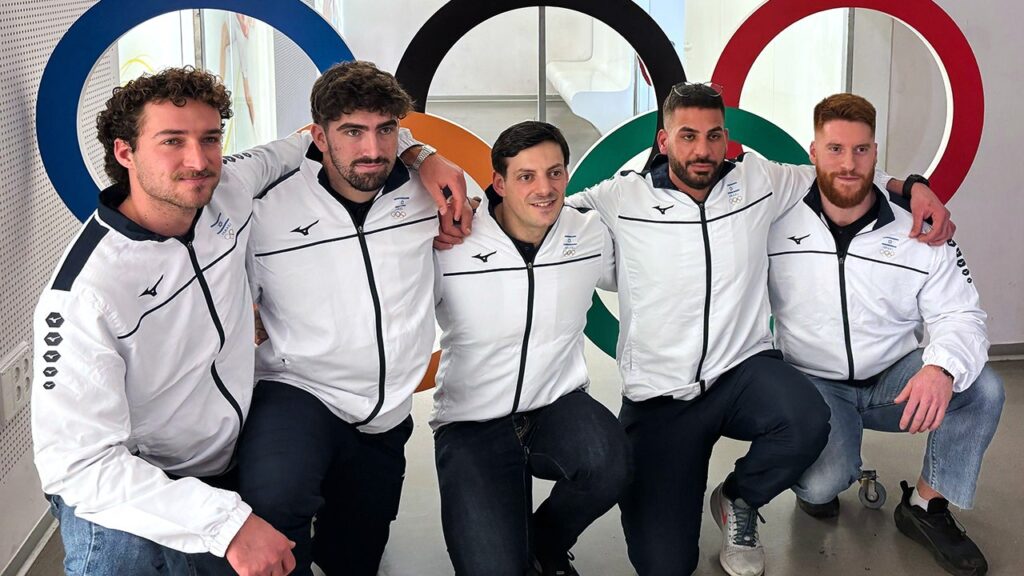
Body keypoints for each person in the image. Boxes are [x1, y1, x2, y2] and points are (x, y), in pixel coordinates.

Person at [436, 83, 955, 576]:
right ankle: (544, 541)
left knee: (805, 416)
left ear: (726, 138)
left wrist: (910, 188)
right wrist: (473, 216)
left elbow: (839, 170)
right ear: (665, 140)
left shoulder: (761, 181)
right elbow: (538, 212)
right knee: (664, 564)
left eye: (713, 135)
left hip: (742, 373)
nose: (702, 149)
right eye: (688, 135)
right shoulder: (619, 199)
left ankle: (739, 499)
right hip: (661, 399)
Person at [32, 65, 467, 576]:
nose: (198, 160)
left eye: (210, 138)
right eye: (172, 141)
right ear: (125, 152)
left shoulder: (231, 189)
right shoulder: (84, 295)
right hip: (133, 488)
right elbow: (79, 466)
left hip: (222, 461)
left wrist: (424, 155)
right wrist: (228, 525)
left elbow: (322, 138)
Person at [769, 93, 1004, 576]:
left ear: (876, 153)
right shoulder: (775, 215)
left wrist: (940, 369)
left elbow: (962, 314)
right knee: (823, 483)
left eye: (861, 150)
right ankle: (826, 470)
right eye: (835, 149)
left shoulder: (920, 227)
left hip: (892, 380)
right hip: (814, 381)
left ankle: (925, 506)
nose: (848, 164)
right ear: (813, 153)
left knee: (982, 388)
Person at [239, 61, 441, 576]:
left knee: (354, 558)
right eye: (352, 132)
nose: (372, 149)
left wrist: (425, 155)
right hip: (299, 388)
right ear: (319, 137)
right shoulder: (266, 209)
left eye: (385, 130)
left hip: (386, 408)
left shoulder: (430, 196)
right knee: (275, 506)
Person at [431, 121, 631, 576]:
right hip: (472, 421)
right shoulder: (451, 240)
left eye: (555, 173)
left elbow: (651, 262)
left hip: (555, 404)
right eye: (526, 176)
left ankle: (546, 544)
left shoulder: (589, 233)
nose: (545, 189)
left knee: (610, 462)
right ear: (499, 184)